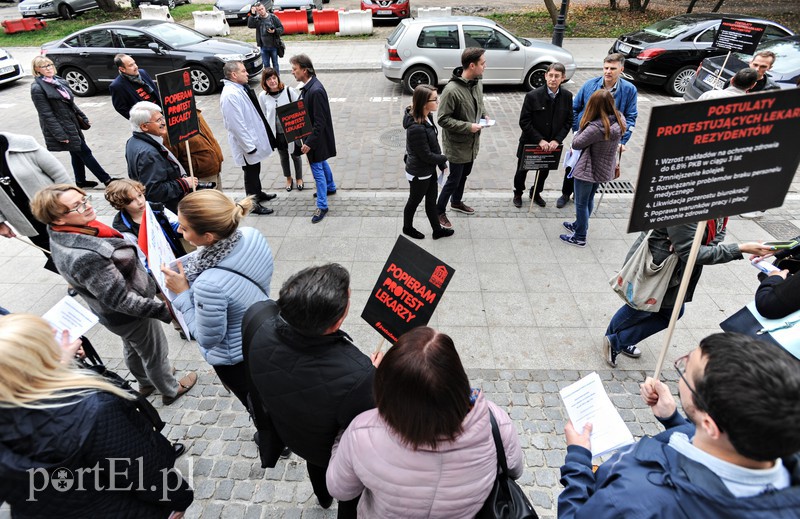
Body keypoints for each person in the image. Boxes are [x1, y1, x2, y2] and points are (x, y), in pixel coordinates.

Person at [559, 332, 800, 518]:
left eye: (685, 371)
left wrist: (578, 459)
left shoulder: (635, 498)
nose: (681, 368)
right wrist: (673, 419)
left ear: (710, 424)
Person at [0, 314, 194, 517]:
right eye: (48, 341)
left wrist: (59, 367)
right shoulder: (93, 409)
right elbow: (142, 471)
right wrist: (180, 500)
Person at [326, 326, 523, 518]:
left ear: (387, 389)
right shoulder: (495, 422)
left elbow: (340, 489)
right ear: (458, 378)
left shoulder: (361, 432)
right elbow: (514, 469)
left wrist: (342, 437)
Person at [30, 184, 197, 404]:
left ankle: (145, 382)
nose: (87, 206)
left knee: (134, 347)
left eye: (84, 200)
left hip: (114, 315)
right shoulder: (83, 256)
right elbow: (122, 300)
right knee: (154, 352)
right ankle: (170, 388)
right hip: (131, 313)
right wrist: (168, 310)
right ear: (58, 219)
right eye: (77, 206)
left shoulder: (66, 231)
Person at [246, 263, 381, 518]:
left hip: (291, 431)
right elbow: (361, 430)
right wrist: (373, 375)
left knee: (315, 465)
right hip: (325, 446)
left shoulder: (257, 320)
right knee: (338, 482)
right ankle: (330, 497)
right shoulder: (358, 376)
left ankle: (322, 496)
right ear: (337, 320)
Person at [604, 218, 774, 367]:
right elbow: (692, 253)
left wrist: (697, 246)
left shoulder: (720, 204)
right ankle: (613, 340)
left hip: (674, 270)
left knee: (668, 312)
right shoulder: (690, 206)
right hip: (659, 266)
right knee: (639, 306)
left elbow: (716, 235)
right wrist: (740, 248)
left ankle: (617, 341)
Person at [161, 190, 273, 408]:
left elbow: (207, 338)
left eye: (184, 227)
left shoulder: (208, 285)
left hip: (236, 357)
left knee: (256, 405)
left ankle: (268, 438)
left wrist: (184, 293)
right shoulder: (251, 234)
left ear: (208, 237)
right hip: (260, 329)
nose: (178, 229)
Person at [110, 54, 225, 190]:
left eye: (134, 63)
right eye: (130, 65)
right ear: (122, 69)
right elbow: (120, 107)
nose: (135, 67)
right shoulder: (117, 86)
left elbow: (156, 91)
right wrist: (142, 117)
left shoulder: (142, 73)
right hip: (149, 119)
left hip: (162, 114)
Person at [560, 53, 637, 209]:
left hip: (608, 139)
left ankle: (583, 197)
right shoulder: (590, 84)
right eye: (606, 68)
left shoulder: (629, 90)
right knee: (574, 163)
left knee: (596, 168)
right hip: (586, 134)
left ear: (621, 69)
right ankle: (565, 193)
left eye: (613, 68)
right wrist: (577, 130)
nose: (608, 71)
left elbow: (631, 117)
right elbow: (575, 108)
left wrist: (622, 140)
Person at [30, 56, 115, 190]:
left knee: (76, 152)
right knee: (85, 152)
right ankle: (107, 180)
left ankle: (80, 181)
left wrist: (83, 117)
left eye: (50, 65)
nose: (49, 68)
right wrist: (60, 135)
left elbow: (71, 104)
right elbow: (46, 115)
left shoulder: (58, 81)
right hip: (63, 127)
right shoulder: (37, 88)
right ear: (37, 69)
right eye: (44, 66)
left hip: (72, 123)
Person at [559, 90, 624, 248]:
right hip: (604, 167)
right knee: (589, 199)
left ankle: (580, 235)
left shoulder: (596, 127)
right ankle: (580, 224)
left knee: (581, 203)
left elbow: (577, 143)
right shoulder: (619, 119)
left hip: (588, 168)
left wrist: (583, 125)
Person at [0, 131, 71, 274]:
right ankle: (71, 278)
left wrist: (71, 203)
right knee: (50, 251)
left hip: (56, 210)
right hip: (26, 220)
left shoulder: (22, 144)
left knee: (74, 243)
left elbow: (58, 173)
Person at [436, 48, 488, 229]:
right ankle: (439, 210)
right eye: (482, 63)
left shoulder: (477, 82)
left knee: (464, 175)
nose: (485, 66)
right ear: (472, 65)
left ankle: (456, 202)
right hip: (457, 145)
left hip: (472, 143)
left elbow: (479, 103)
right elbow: (442, 119)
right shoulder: (451, 90)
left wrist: (485, 115)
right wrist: (468, 126)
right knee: (453, 180)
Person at [220, 60, 277, 215]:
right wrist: (249, 147)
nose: (247, 73)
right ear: (234, 74)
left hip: (252, 141)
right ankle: (251, 204)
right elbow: (236, 125)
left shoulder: (239, 89)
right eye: (244, 71)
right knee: (250, 174)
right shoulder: (230, 95)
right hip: (246, 145)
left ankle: (258, 194)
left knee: (255, 169)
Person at [513, 62, 573, 208]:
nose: (553, 79)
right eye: (550, 75)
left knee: (544, 171)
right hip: (531, 141)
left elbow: (568, 121)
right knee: (522, 170)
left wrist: (556, 140)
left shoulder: (567, 96)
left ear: (563, 78)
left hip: (552, 144)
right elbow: (524, 121)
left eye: (557, 76)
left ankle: (536, 192)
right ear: (546, 76)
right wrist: (539, 140)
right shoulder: (532, 96)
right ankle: (518, 193)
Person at [125, 101, 201, 214]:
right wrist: (184, 184)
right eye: (158, 120)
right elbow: (154, 191)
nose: (164, 122)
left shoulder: (133, 141)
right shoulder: (149, 153)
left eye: (162, 117)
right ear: (144, 127)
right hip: (169, 210)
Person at [401, 84, 455, 240]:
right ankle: (407, 228)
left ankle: (437, 230)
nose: (438, 102)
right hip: (419, 172)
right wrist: (447, 157)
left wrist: (442, 165)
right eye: (435, 99)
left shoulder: (428, 116)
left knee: (431, 201)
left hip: (428, 170)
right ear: (425, 103)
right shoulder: (416, 128)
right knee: (414, 201)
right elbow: (426, 155)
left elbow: (434, 145)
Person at [290, 54, 338, 224]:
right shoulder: (309, 86)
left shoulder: (315, 91)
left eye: (295, 69)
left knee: (317, 169)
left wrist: (309, 143)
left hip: (316, 139)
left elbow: (319, 121)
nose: (292, 72)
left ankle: (322, 205)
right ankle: (331, 187)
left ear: (304, 69)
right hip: (318, 138)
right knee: (322, 163)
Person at [105, 178, 186, 263]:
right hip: (152, 266)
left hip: (175, 255)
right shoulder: (124, 228)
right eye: (131, 200)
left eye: (140, 195)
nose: (140, 202)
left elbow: (176, 224)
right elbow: (138, 257)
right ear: (121, 203)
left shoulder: (157, 209)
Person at [258, 67, 304, 192]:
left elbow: (300, 107)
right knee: (283, 156)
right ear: (265, 82)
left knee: (295, 155)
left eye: (274, 78)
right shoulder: (263, 96)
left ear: (278, 78)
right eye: (269, 79)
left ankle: (299, 178)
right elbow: (262, 114)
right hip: (277, 134)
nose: (272, 81)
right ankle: (288, 178)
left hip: (291, 131)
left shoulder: (289, 91)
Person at [248, 2, 284, 74]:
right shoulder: (257, 19)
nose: (261, 11)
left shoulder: (273, 18)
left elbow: (281, 29)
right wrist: (252, 14)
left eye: (262, 9)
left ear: (265, 8)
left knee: (275, 64)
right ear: (257, 11)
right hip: (263, 47)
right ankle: (268, 79)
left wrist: (274, 31)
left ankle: (277, 78)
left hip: (273, 46)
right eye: (259, 10)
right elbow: (250, 25)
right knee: (266, 65)